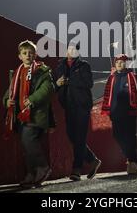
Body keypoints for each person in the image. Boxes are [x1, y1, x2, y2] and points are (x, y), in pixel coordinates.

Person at [3, 40, 56, 188]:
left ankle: (42, 168)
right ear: (19, 56)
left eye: (30, 53)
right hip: (20, 116)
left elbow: (48, 89)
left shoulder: (42, 71)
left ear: (35, 55)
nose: (28, 55)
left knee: (28, 141)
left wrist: (32, 99)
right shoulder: (17, 73)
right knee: (26, 146)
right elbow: (9, 93)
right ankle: (31, 175)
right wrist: (7, 101)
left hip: (35, 114)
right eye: (24, 53)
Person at [55, 42, 101, 181]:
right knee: (71, 136)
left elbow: (88, 83)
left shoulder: (84, 65)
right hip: (69, 106)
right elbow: (55, 85)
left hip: (82, 105)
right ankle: (92, 160)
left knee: (80, 136)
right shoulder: (60, 66)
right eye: (70, 48)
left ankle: (77, 169)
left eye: (75, 49)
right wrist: (58, 84)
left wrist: (69, 80)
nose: (72, 51)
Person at [101, 54, 137, 175]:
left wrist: (136, 108)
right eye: (117, 62)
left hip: (129, 112)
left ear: (126, 64)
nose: (119, 64)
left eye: (122, 62)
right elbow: (107, 94)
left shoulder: (132, 76)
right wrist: (108, 109)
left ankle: (132, 161)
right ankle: (130, 156)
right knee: (117, 135)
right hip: (115, 112)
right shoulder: (111, 78)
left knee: (130, 136)